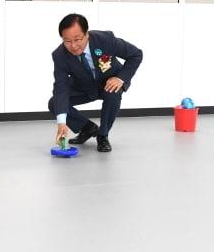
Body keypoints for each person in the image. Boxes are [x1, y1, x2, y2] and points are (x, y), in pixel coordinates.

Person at [49, 13, 143, 152]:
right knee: (54, 103)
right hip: (84, 87)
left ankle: (103, 135)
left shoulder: (105, 40)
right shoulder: (59, 55)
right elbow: (61, 86)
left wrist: (120, 78)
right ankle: (87, 128)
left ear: (87, 34)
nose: (73, 46)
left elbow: (136, 54)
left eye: (77, 39)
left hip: (109, 83)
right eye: (67, 41)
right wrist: (62, 123)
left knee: (113, 93)